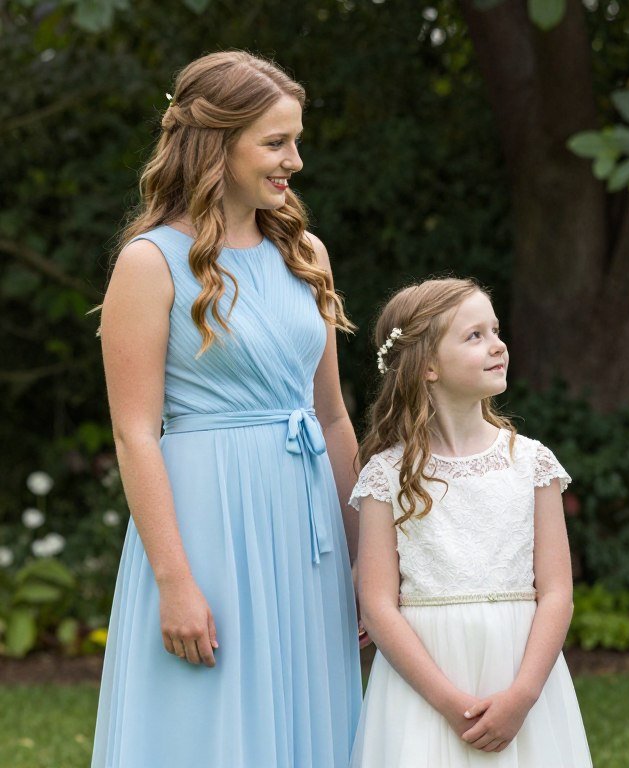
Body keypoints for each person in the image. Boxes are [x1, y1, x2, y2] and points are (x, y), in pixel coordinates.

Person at [92, 51, 362, 767]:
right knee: (210, 727)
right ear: (217, 144)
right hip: (208, 528)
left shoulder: (307, 254)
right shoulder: (149, 263)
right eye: (276, 142)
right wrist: (175, 583)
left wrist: (366, 559)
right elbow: (134, 433)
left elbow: (332, 418)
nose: (295, 161)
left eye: (296, 140)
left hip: (306, 531)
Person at [347, 278, 592, 767]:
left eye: (495, 330)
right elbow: (377, 606)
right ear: (428, 366)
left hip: (520, 675)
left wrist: (522, 696)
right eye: (474, 335)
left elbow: (558, 592)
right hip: (425, 686)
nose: (498, 344)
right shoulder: (386, 475)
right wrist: (452, 706)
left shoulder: (532, 464)